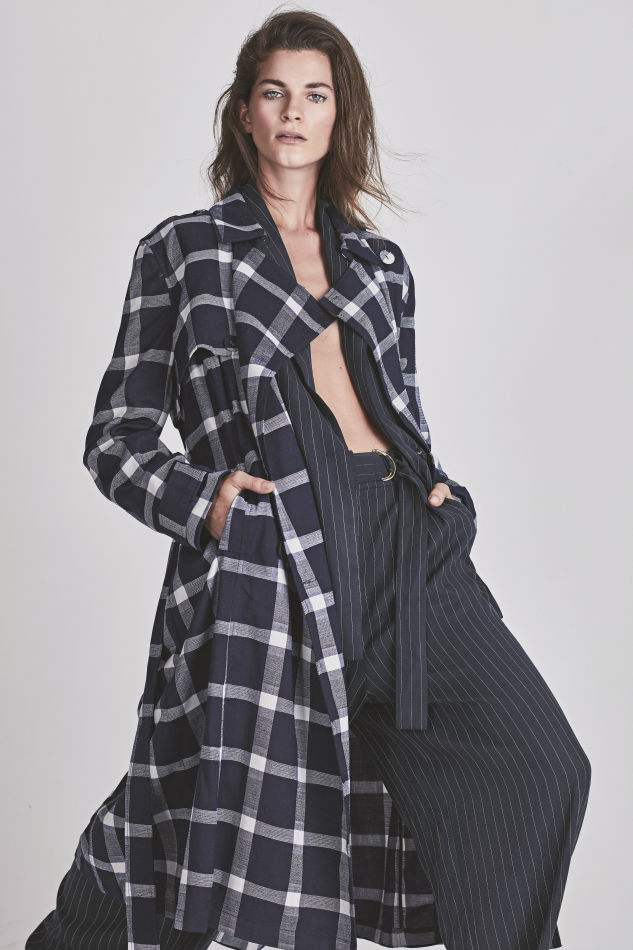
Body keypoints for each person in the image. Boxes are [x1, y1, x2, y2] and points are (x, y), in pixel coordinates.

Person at [26, 10, 591, 950]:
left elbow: (397, 413)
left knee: (538, 768)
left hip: (407, 554)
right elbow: (115, 439)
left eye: (315, 95)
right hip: (271, 556)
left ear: (340, 116)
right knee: (196, 805)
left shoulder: (378, 267)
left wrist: (439, 492)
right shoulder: (185, 253)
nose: (294, 111)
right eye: (274, 92)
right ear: (244, 112)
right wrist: (206, 502)